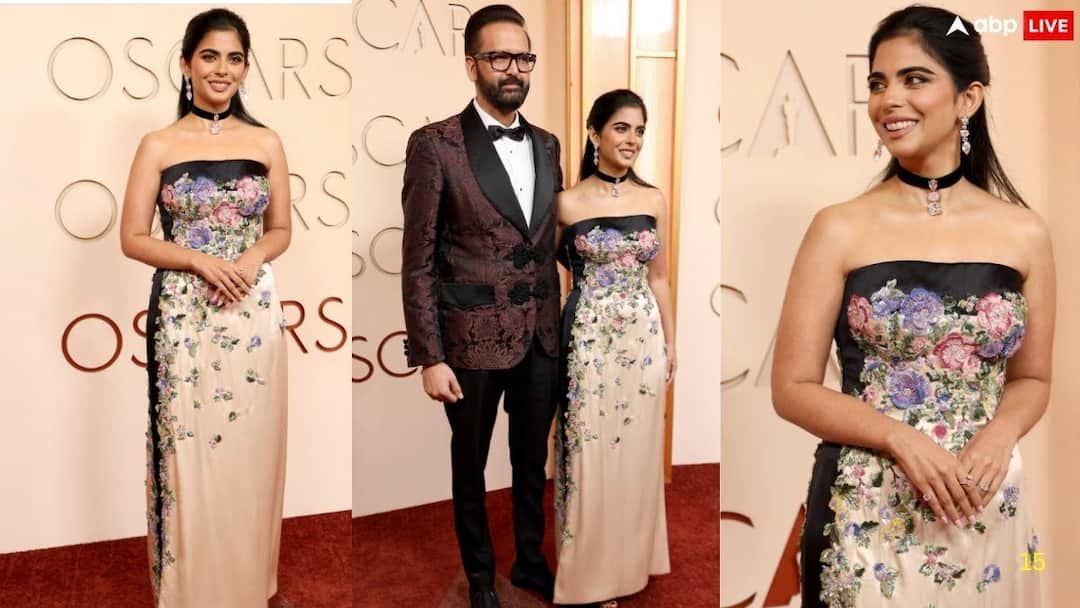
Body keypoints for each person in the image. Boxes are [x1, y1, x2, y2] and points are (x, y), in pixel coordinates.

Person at [771, 6, 1053, 607]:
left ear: (968, 98)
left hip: (989, 502)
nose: (889, 100)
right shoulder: (838, 227)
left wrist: (1001, 433)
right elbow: (792, 388)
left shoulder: (1024, 232)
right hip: (866, 510)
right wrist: (902, 439)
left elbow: (1032, 378)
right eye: (878, 83)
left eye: (914, 79)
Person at [119, 8, 292, 607]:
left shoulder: (266, 141)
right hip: (184, 314)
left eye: (235, 58)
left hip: (251, 310)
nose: (223, 69)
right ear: (186, 64)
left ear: (246, 67)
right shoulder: (159, 144)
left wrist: (247, 260)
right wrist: (198, 261)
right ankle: (192, 591)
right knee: (188, 452)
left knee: (250, 449)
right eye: (210, 56)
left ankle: (246, 583)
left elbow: (280, 230)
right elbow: (132, 238)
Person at [399, 5, 563, 608]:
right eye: (499, 57)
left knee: (531, 463)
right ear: (472, 65)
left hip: (542, 335)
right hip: (468, 342)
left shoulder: (548, 144)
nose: (513, 69)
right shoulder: (434, 144)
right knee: (469, 467)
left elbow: (548, 240)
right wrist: (429, 356)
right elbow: (418, 259)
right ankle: (481, 580)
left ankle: (530, 561)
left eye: (523, 57)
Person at [553, 89, 674, 606]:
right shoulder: (566, 202)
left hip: (642, 338)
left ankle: (633, 561)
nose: (632, 140)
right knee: (591, 452)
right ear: (594, 133)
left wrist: (671, 342)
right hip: (587, 339)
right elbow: (549, 271)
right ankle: (592, 574)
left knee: (638, 451)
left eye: (640, 130)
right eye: (622, 128)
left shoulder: (654, 199)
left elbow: (660, 278)